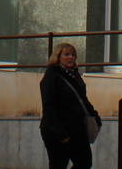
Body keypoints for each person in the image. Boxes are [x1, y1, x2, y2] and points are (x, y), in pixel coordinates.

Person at [39, 41, 101, 169]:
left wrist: (95, 116)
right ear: (58, 57)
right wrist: (61, 133)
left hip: (77, 127)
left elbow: (82, 99)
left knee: (84, 162)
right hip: (58, 130)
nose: (70, 57)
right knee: (59, 164)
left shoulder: (74, 74)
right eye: (66, 54)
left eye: (73, 55)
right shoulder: (51, 76)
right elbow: (49, 107)